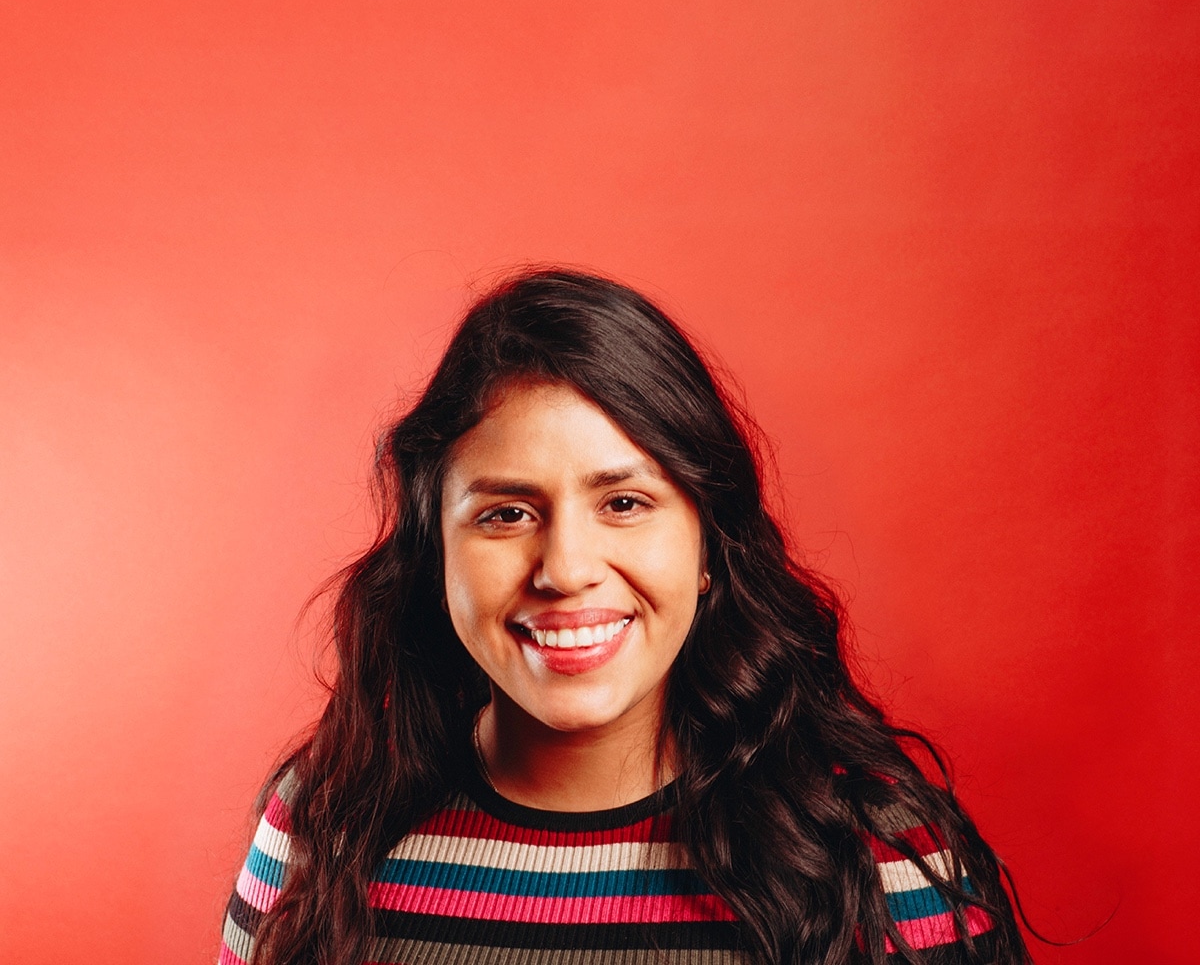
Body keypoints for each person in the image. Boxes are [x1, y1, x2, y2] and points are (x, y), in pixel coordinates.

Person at [220, 269, 1030, 965]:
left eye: (625, 502)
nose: (567, 569)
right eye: (505, 514)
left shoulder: (873, 845)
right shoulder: (322, 829)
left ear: (711, 545)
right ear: (435, 557)